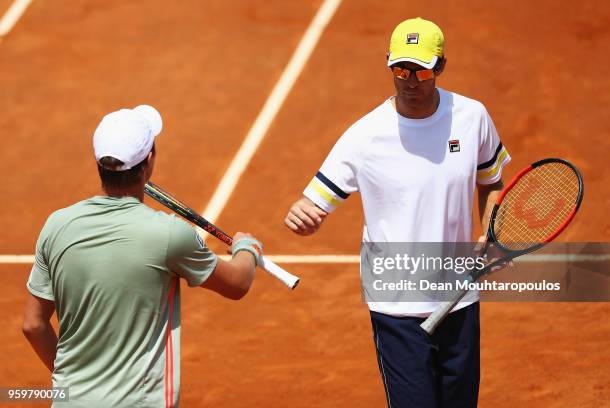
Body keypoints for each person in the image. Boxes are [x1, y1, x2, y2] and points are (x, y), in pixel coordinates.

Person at [284, 18, 511, 408]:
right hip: (397, 305)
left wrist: (494, 232)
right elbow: (312, 204)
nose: (409, 80)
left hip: (459, 296)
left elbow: (491, 180)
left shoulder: (472, 118)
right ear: (388, 62)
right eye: (400, 68)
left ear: (440, 66)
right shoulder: (364, 135)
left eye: (421, 70)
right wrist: (302, 215)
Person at [22, 105, 264, 407]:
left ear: (99, 163)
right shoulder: (170, 234)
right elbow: (238, 283)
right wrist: (247, 249)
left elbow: (34, 325)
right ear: (149, 162)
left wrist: (73, 386)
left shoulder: (56, 225)